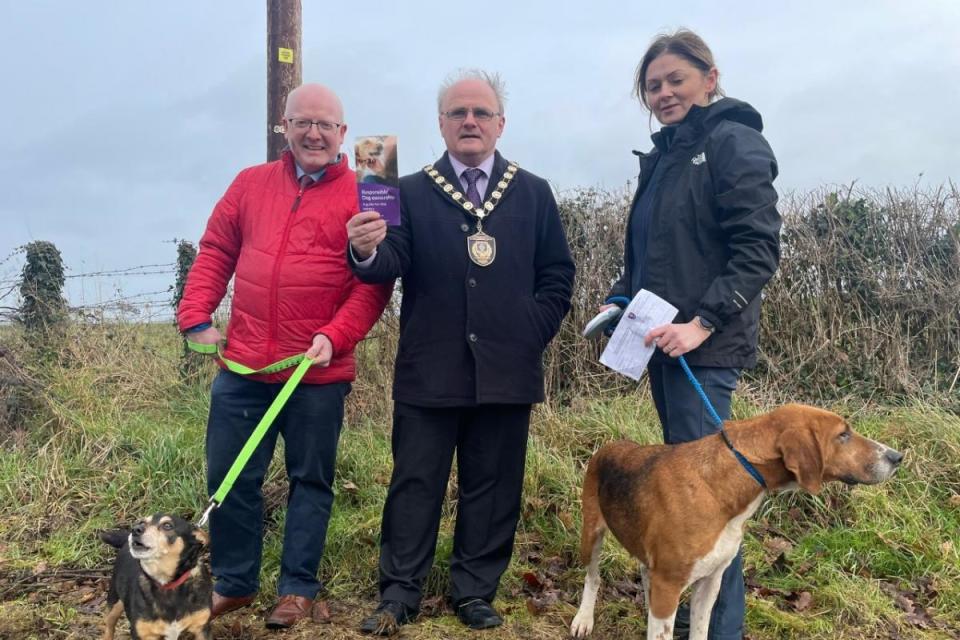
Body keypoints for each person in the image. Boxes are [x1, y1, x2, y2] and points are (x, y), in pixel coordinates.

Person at [346, 69, 575, 635]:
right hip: (431, 369)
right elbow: (389, 261)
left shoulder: (534, 191)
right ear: (441, 124)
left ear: (500, 123)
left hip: (507, 370)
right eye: (457, 113)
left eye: (480, 113)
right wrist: (366, 250)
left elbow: (557, 275)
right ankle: (399, 594)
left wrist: (528, 331)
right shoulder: (401, 187)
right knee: (414, 484)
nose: (469, 122)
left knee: (493, 486)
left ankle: (474, 592)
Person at [177, 84, 393, 629]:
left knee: (310, 481)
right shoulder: (250, 184)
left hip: (317, 370)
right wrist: (196, 315)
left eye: (326, 125)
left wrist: (335, 336)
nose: (314, 133)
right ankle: (234, 581)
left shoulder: (369, 188)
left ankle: (296, 588)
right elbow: (216, 249)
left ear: (344, 134)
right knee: (230, 475)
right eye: (303, 123)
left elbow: (375, 282)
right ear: (285, 126)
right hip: (244, 364)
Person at [602, 30, 781, 640]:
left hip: (703, 352)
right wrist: (620, 297)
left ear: (710, 77)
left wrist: (702, 323)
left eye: (675, 79)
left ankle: (717, 630)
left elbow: (758, 250)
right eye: (652, 86)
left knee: (707, 506)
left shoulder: (734, 142)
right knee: (687, 502)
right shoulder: (665, 158)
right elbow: (652, 257)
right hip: (664, 348)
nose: (663, 93)